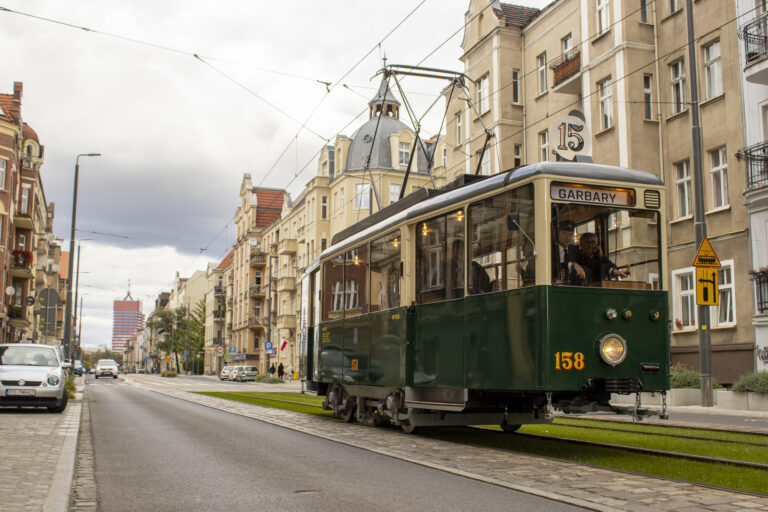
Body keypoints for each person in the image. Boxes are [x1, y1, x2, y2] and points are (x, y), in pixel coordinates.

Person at [552, 220, 586, 284]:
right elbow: (552, 266)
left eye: (570, 234)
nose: (567, 237)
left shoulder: (575, 249)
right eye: (564, 233)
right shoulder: (550, 249)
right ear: (557, 234)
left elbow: (589, 262)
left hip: (572, 289)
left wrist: (610, 269)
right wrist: (571, 264)